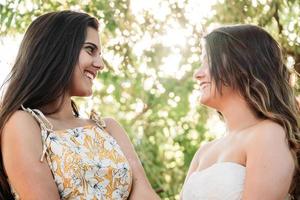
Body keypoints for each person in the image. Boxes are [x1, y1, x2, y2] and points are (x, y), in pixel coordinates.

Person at [0, 10, 160, 200]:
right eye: (90, 50)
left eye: (100, 54)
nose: (100, 64)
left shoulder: (108, 128)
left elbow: (143, 191)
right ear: (57, 50)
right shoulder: (23, 123)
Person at [181, 24, 300, 200]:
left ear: (242, 65)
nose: (197, 74)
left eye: (208, 61)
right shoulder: (203, 152)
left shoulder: (268, 134)